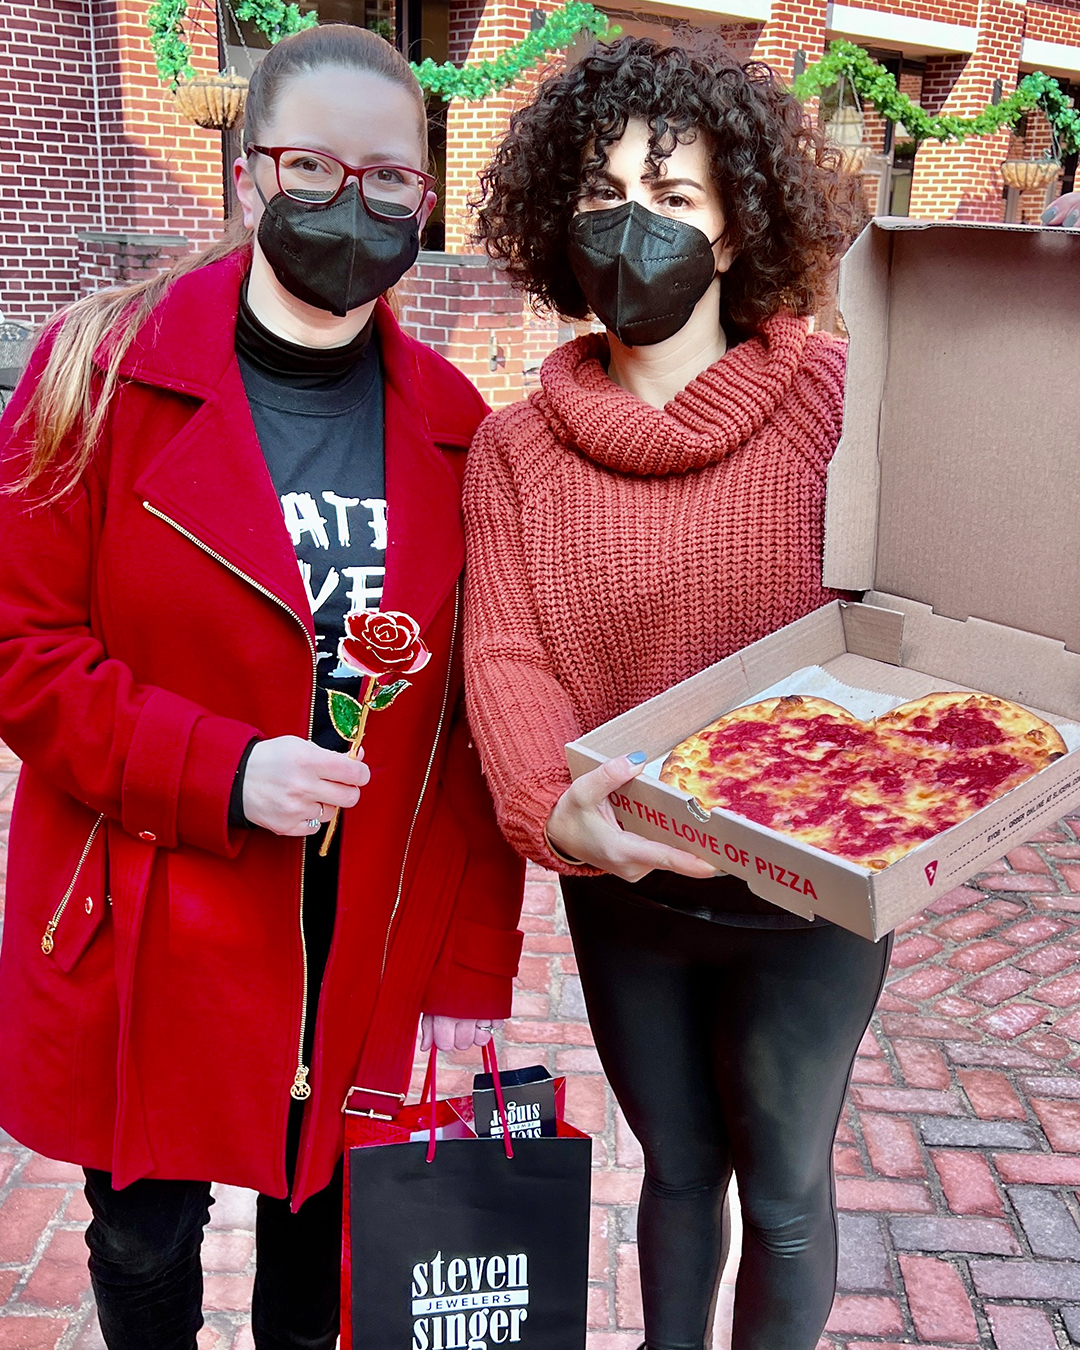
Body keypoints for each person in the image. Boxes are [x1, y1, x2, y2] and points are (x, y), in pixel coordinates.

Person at [0, 24, 523, 1350]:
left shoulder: (460, 429)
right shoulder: (94, 376)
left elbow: (471, 719)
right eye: (311, 167)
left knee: (325, 1226)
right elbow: (23, 645)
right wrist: (219, 766)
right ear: (245, 176)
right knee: (141, 1228)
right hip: (151, 895)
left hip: (357, 927)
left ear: (425, 192)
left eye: (391, 178)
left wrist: (470, 971)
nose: (353, 204)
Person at [464, 34, 879, 1350]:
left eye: (675, 198)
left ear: (737, 221)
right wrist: (550, 805)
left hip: (810, 887)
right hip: (629, 880)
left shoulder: (836, 397)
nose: (633, 228)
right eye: (600, 196)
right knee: (679, 1168)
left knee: (791, 1186)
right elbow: (506, 651)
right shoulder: (517, 448)